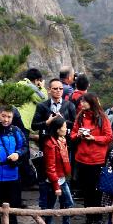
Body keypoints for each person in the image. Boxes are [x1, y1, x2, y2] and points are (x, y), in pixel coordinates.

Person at [31, 79, 77, 209]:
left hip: (64, 146)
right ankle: (45, 208)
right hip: (47, 146)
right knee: (45, 177)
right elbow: (34, 125)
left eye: (60, 89)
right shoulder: (42, 106)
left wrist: (63, 121)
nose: (58, 91)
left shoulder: (69, 105)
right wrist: (47, 122)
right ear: (50, 90)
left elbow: (75, 125)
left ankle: (64, 209)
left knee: (64, 176)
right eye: (55, 88)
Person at [71, 93, 113, 224]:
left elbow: (108, 136)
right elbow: (72, 134)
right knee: (86, 189)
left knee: (97, 189)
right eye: (81, 102)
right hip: (82, 158)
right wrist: (78, 135)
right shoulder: (80, 117)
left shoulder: (102, 117)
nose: (82, 104)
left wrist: (93, 138)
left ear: (91, 102)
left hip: (97, 159)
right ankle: (88, 215)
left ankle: (98, 217)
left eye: (84, 102)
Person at [42, 117, 80, 224]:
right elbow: (50, 167)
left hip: (62, 178)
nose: (66, 129)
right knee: (50, 207)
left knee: (67, 203)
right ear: (58, 130)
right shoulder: (50, 144)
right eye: (64, 127)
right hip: (53, 181)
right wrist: (56, 185)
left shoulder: (62, 140)